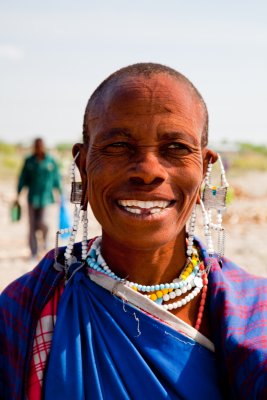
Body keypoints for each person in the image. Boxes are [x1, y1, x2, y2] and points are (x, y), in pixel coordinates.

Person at [1, 63, 266, 399]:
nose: (147, 171)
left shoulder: (254, 312)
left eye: (176, 148)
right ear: (83, 167)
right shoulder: (26, 309)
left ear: (204, 170)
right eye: (118, 147)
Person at [16, 137, 62, 258]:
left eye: (40, 145)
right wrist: (18, 194)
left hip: (46, 198)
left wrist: (60, 193)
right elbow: (22, 178)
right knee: (32, 226)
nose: (38, 148)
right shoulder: (29, 161)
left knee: (44, 223)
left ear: (43, 146)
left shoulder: (51, 161)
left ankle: (45, 247)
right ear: (34, 147)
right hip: (32, 198)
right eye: (36, 146)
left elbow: (57, 178)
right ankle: (34, 252)